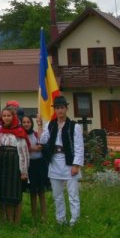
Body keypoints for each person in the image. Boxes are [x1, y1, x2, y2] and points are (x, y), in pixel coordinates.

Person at [40, 96, 84, 226]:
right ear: (55, 110)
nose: (60, 111)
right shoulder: (50, 124)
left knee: (73, 195)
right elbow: (42, 141)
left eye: (62, 108)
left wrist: (76, 165)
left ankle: (74, 220)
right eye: (57, 108)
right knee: (57, 195)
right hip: (54, 162)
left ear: (66, 109)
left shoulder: (74, 126)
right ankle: (61, 219)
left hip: (69, 162)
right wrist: (40, 125)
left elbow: (79, 146)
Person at [0, 105, 29, 224]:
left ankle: (15, 221)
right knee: (2, 193)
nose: (6, 118)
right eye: (4, 116)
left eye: (9, 116)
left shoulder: (19, 132)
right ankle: (4, 220)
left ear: (13, 117)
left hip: (14, 165)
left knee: (15, 194)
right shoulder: (0, 131)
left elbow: (24, 153)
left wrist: (23, 171)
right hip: (2, 165)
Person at [23, 113, 48, 222]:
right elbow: (23, 148)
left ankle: (44, 215)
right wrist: (31, 148)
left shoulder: (36, 134)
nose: (26, 124)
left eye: (28, 122)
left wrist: (40, 124)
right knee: (32, 192)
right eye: (24, 122)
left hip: (40, 164)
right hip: (29, 165)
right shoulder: (21, 135)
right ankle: (33, 215)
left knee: (41, 191)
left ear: (31, 123)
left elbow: (42, 143)